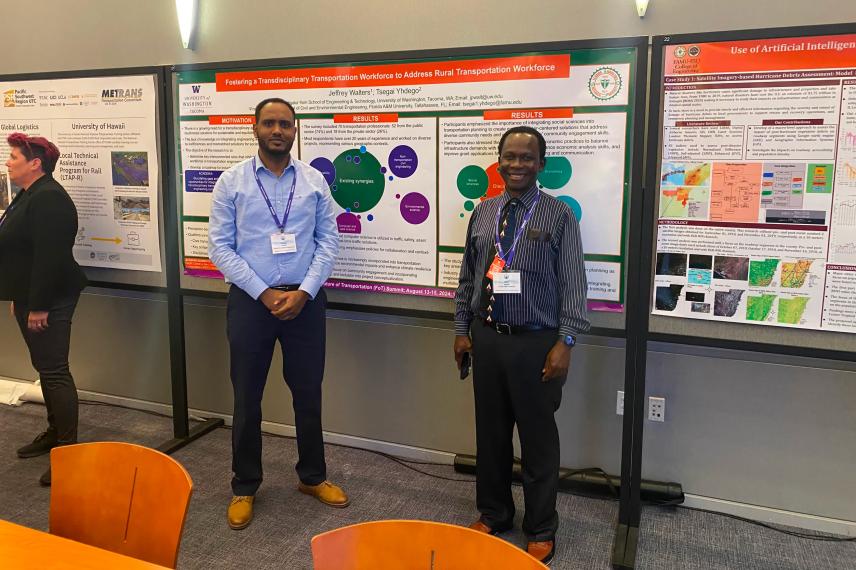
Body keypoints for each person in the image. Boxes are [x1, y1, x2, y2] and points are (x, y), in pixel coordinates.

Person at [453, 126, 590, 564]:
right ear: (499, 162)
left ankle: (541, 526)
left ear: (540, 164)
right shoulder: (484, 212)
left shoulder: (558, 215)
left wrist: (566, 342)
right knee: (491, 435)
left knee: (538, 441)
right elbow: (468, 276)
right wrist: (461, 329)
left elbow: (574, 285)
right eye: (509, 156)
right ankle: (494, 513)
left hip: (537, 344)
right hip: (488, 338)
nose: (517, 164)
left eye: (527, 157)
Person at [208, 98, 346, 531]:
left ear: (295, 130)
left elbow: (328, 241)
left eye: (285, 124)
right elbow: (220, 248)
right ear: (255, 128)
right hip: (251, 303)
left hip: (306, 302)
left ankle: (313, 476)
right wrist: (264, 293)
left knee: (308, 393)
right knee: (247, 397)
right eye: (269, 123)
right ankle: (245, 485)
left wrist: (305, 292)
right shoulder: (232, 182)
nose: (277, 131)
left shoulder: (314, 181)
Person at [0, 133, 87, 486]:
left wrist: (38, 306)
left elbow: (50, 259)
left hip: (50, 298)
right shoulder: (29, 193)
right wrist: (19, 298)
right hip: (31, 297)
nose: (8, 162)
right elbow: (23, 253)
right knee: (45, 367)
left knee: (54, 371)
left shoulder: (49, 198)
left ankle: (68, 452)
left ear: (35, 163)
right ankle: (54, 433)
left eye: (14, 157)